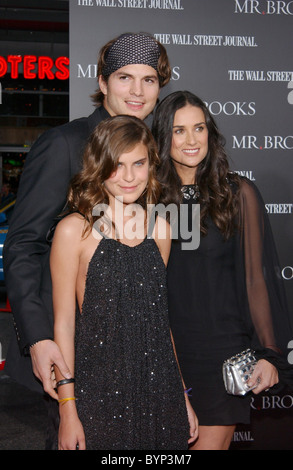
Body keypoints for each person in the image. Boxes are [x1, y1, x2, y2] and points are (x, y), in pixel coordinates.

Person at [3, 32, 171, 449]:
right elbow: (23, 244)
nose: (137, 91)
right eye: (124, 78)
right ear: (101, 83)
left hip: (141, 357)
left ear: (160, 87)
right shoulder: (64, 144)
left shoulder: (153, 153)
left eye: (148, 80)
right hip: (74, 356)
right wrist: (39, 338)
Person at [152, 90, 293, 450]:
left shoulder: (237, 193)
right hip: (160, 348)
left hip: (221, 350)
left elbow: (255, 279)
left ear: (210, 133)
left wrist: (269, 352)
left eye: (199, 128)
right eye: (179, 130)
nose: (191, 139)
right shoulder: (147, 199)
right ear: (163, 137)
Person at [50, 114, 198, 450]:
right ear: (99, 166)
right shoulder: (74, 230)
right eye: (117, 165)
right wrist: (67, 408)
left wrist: (182, 394)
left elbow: (160, 324)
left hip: (160, 394)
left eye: (139, 163)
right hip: (97, 395)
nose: (129, 177)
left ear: (151, 164)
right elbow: (64, 326)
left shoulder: (160, 228)